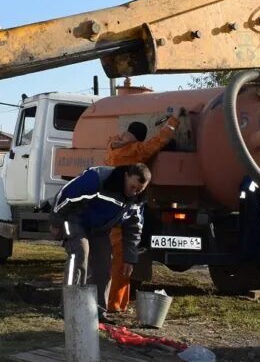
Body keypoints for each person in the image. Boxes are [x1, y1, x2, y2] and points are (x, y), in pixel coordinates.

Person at [102, 110, 184, 312]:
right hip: (124, 211)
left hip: (109, 209)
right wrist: (174, 121)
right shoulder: (136, 151)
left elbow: (114, 139)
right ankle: (114, 305)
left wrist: (121, 139)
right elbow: (158, 141)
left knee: (113, 260)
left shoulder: (112, 146)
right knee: (122, 263)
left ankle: (116, 303)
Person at [50, 164, 151, 318]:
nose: (134, 192)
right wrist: (56, 222)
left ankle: (96, 312)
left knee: (104, 265)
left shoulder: (137, 201)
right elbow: (66, 195)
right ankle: (69, 308)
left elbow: (134, 230)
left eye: (139, 190)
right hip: (75, 220)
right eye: (132, 187)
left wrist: (130, 259)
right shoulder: (98, 179)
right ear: (125, 176)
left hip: (99, 229)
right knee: (80, 254)